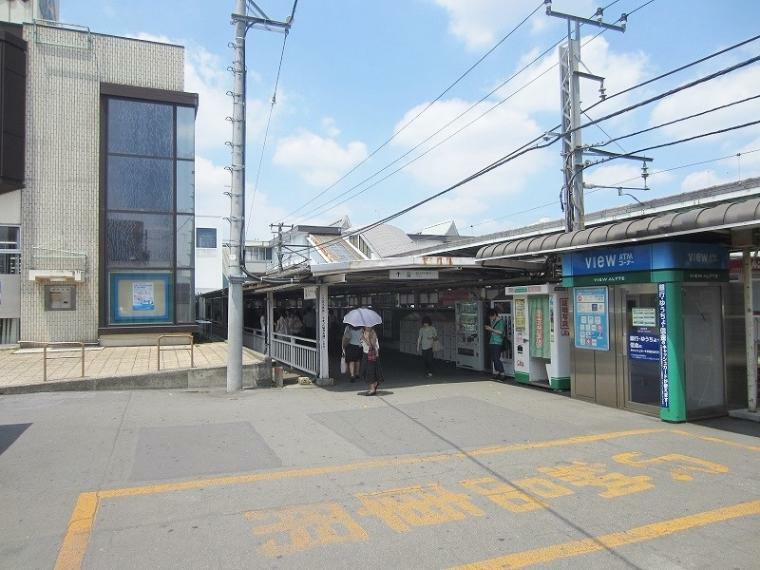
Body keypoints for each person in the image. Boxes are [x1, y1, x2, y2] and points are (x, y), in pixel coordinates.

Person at [485, 309, 507, 381]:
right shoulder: (494, 321)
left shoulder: (501, 322)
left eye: (491, 317)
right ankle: (497, 372)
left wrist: (491, 329)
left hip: (498, 342)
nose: (490, 318)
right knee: (494, 358)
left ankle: (502, 373)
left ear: (494, 315)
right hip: (492, 341)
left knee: (496, 358)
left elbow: (500, 332)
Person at [360, 326, 382, 395]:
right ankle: (374, 384)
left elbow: (371, 345)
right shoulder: (364, 332)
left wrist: (364, 338)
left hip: (371, 355)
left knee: (370, 372)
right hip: (365, 354)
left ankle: (372, 389)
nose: (366, 326)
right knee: (365, 371)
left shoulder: (372, 333)